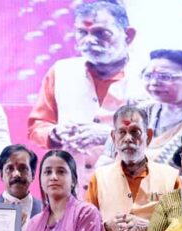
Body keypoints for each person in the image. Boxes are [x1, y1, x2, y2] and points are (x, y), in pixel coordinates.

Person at [28, 1, 136, 188]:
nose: (89, 40)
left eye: (101, 33)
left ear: (128, 35)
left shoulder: (149, 78)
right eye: (82, 33)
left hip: (131, 190)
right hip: (71, 189)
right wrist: (55, 133)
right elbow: (37, 127)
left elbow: (165, 138)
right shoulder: (62, 71)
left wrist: (111, 135)